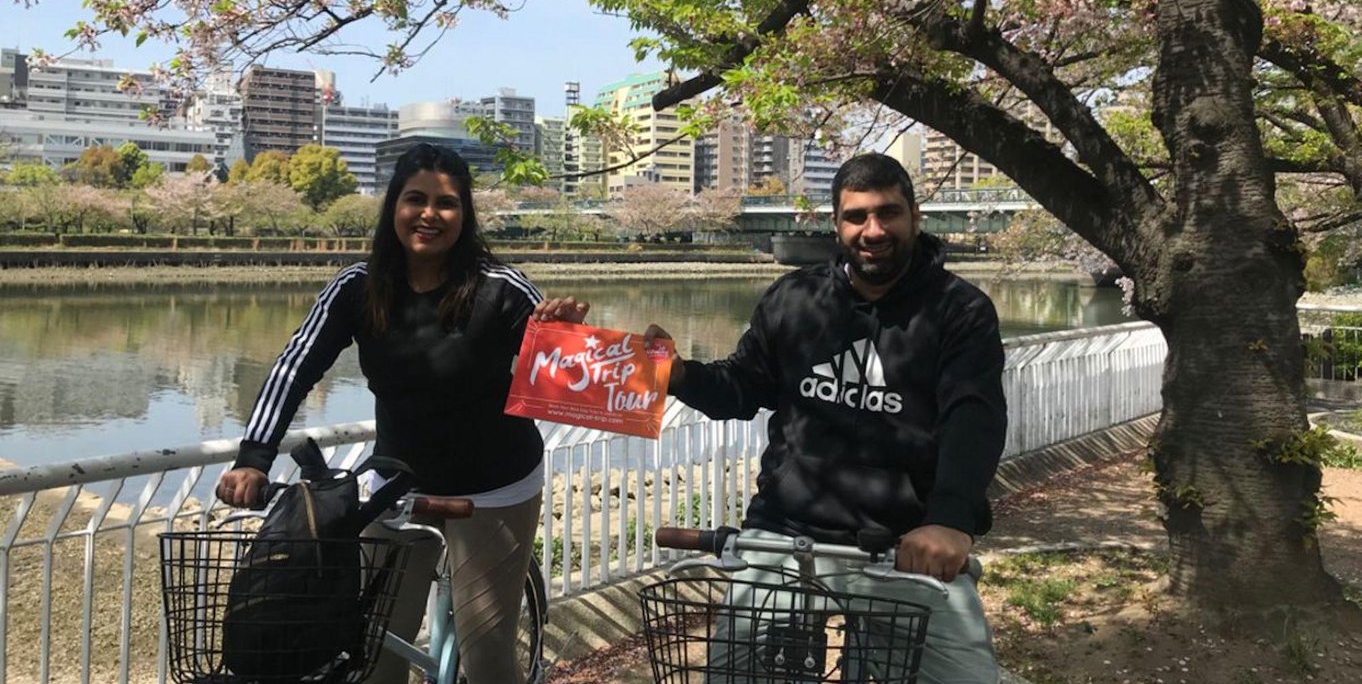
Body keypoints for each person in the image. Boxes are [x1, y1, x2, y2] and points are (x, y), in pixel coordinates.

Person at [215, 143, 587, 684]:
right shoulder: (356, 287)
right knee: (373, 648)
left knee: (485, 654)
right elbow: (294, 368)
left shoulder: (502, 289)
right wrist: (254, 456)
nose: (430, 215)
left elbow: (563, 377)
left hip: (494, 486)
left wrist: (568, 335)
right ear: (394, 206)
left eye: (447, 203)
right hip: (397, 482)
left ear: (466, 214)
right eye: (416, 199)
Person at [656, 153, 1007, 683]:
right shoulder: (796, 298)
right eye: (856, 216)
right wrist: (682, 376)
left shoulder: (959, 309)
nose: (873, 230)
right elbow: (743, 386)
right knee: (734, 673)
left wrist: (951, 520)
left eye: (888, 213)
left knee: (963, 676)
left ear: (915, 216)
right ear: (836, 223)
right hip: (785, 531)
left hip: (904, 543)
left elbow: (973, 419)